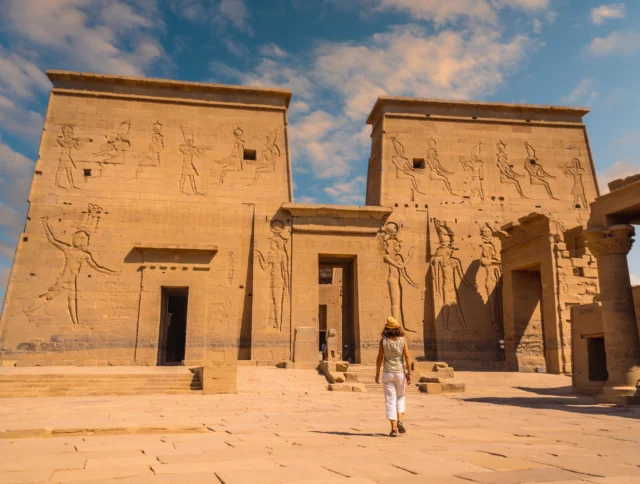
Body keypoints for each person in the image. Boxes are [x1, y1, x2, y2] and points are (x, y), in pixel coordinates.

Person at [375, 316, 412, 437]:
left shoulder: (383, 341)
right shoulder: (402, 340)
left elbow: (379, 358)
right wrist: (409, 373)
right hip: (400, 372)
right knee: (400, 397)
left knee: (390, 400)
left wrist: (377, 373)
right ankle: (400, 420)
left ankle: (394, 429)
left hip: (387, 373)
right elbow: (407, 357)